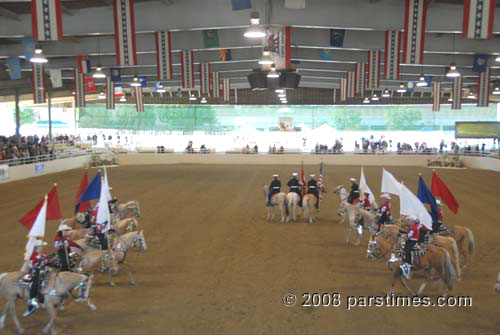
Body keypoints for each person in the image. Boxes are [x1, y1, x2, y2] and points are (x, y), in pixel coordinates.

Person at [23, 240, 48, 317]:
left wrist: (48, 260)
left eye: (42, 247)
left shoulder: (42, 254)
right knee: (34, 285)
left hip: (43, 272)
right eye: (41, 247)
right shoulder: (33, 255)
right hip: (34, 273)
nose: (42, 248)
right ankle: (31, 305)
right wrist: (39, 261)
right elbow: (32, 265)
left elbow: (47, 260)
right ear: (36, 248)